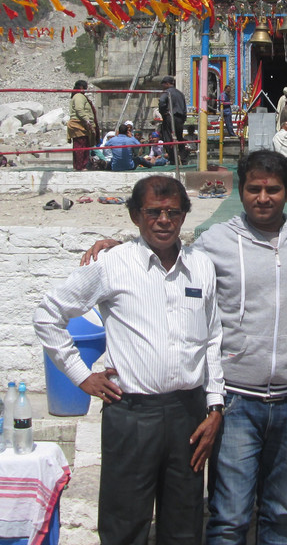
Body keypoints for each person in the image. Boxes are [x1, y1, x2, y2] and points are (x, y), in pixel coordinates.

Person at [83, 151, 287, 545]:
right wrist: (124, 244)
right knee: (228, 515)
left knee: (281, 513)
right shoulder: (215, 241)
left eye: (273, 189)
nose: (263, 197)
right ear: (239, 191)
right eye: (254, 189)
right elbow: (168, 245)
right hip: (235, 402)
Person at [34, 176, 223, 545]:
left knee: (184, 523)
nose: (164, 220)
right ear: (136, 216)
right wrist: (80, 375)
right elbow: (48, 314)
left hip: (188, 413)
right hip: (131, 413)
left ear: (185, 215)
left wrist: (214, 406)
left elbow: (213, 338)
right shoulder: (112, 264)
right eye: (154, 212)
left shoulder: (202, 267)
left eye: (173, 212)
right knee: (124, 523)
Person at [66, 80, 99, 172]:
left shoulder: (78, 96)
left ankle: (80, 166)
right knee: (81, 146)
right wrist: (88, 121)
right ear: (81, 87)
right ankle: (80, 166)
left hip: (81, 124)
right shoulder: (79, 96)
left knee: (82, 145)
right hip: (79, 124)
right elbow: (79, 109)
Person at [158, 75, 188, 164]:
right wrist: (183, 118)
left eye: (163, 84)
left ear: (167, 84)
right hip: (180, 118)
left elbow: (162, 102)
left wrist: (163, 112)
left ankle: (173, 158)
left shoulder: (167, 93)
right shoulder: (180, 93)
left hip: (170, 116)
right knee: (179, 137)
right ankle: (183, 158)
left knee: (167, 137)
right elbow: (184, 107)